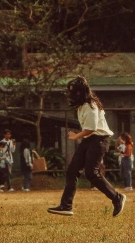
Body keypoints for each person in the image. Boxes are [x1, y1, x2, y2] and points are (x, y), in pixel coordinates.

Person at [48, 76, 125, 217]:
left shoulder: (91, 106)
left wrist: (75, 136)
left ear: (80, 92)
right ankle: (66, 206)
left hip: (99, 140)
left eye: (73, 92)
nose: (71, 95)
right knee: (72, 171)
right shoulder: (82, 106)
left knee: (91, 173)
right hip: (89, 140)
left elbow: (91, 128)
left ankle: (117, 197)